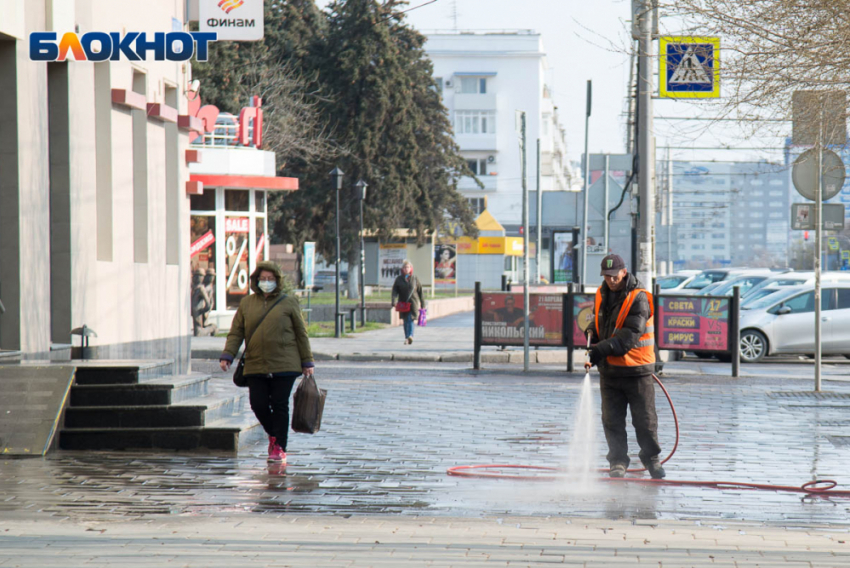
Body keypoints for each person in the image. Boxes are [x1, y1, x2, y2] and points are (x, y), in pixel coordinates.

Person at [219, 261, 314, 464]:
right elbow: (237, 331)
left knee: (279, 404)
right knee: (258, 404)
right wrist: (228, 354)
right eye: (263, 278)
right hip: (256, 363)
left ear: (277, 281)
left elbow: (301, 333)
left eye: (271, 279)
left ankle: (279, 445)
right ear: (256, 280)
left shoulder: (289, 302)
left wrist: (307, 361)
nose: (266, 282)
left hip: (285, 364)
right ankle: (274, 434)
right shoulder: (247, 303)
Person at [585, 254, 664, 480]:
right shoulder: (602, 294)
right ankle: (618, 461)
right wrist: (592, 331)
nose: (611, 280)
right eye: (606, 276)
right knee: (612, 421)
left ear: (624, 272)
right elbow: (603, 322)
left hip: (637, 371)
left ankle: (652, 459)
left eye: (614, 275)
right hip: (610, 372)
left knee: (645, 422)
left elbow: (629, 335)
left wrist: (600, 350)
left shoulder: (638, 298)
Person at [391, 260, 426, 345]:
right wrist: (394, 301)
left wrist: (423, 304)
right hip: (403, 303)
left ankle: (410, 336)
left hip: (413, 303)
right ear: (402, 269)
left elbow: (420, 291)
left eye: (408, 267)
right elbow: (394, 291)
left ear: (411, 268)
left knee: (410, 319)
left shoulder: (415, 278)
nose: (406, 269)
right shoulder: (399, 279)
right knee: (405, 320)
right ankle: (407, 337)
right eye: (405, 267)